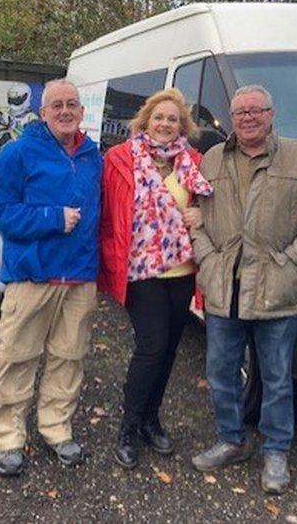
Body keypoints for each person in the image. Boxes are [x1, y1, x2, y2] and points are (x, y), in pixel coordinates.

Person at [190, 85, 297, 494]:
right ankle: (232, 440)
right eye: (240, 112)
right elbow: (195, 214)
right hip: (224, 287)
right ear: (230, 118)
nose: (247, 118)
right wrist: (207, 257)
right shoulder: (213, 158)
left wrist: (288, 263)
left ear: (272, 113)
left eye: (256, 110)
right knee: (220, 373)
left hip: (275, 289)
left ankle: (276, 451)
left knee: (277, 377)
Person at [0, 79, 103, 477]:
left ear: (82, 112)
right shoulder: (18, 154)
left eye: (72, 104)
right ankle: (9, 437)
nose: (65, 111)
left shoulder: (93, 157)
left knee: (69, 358)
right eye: (57, 106)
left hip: (80, 278)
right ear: (43, 112)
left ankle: (56, 428)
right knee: (17, 356)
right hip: (33, 276)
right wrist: (52, 218)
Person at [98, 88, 213, 469]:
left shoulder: (193, 162)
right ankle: (128, 427)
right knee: (151, 346)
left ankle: (151, 419)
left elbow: (211, 206)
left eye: (173, 119)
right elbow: (106, 210)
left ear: (183, 126)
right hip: (140, 271)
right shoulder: (119, 159)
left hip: (182, 270)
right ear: (145, 121)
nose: (165, 124)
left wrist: (202, 216)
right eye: (159, 117)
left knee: (169, 349)